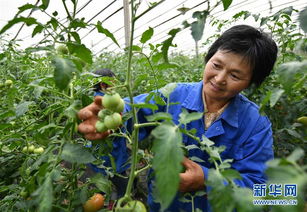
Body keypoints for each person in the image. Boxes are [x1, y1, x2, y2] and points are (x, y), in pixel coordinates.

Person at [78, 25, 278, 211]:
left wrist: (208, 179)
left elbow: (261, 190)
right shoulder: (172, 95)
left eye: (234, 76)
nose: (219, 79)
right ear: (209, 58)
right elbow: (134, 111)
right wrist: (111, 115)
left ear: (250, 83)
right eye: (216, 65)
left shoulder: (256, 124)